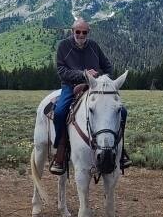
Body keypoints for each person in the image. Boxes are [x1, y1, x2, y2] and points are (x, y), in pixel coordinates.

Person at [50, 18, 129, 175]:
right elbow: (61, 70)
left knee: (122, 112)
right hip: (70, 86)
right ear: (72, 31)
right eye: (77, 32)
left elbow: (107, 67)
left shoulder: (93, 46)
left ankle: (120, 150)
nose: (81, 35)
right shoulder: (64, 46)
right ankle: (61, 149)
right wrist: (82, 74)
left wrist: (99, 79)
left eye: (84, 32)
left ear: (88, 32)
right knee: (60, 113)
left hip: (95, 87)